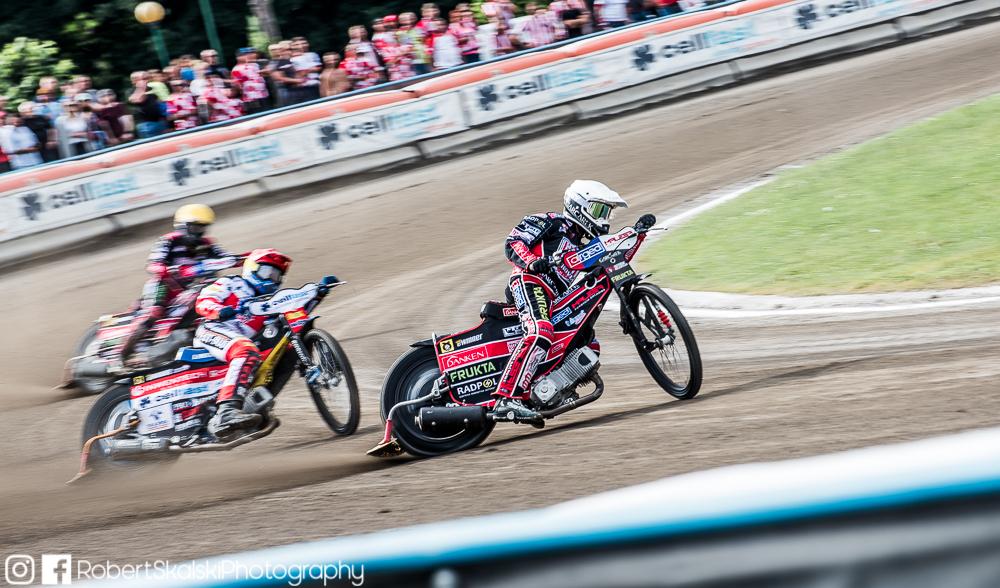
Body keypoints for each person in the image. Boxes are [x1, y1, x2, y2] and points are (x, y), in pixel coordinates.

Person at [492, 180, 629, 424]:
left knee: (586, 342)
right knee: (540, 332)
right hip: (530, 282)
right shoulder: (552, 221)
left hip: (553, 297)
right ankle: (506, 398)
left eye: (607, 213)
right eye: (599, 210)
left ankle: (542, 395)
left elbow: (610, 256)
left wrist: (639, 232)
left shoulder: (582, 245)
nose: (604, 219)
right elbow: (514, 241)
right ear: (579, 206)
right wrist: (532, 262)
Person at [194, 248, 293, 437]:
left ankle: (254, 404)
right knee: (246, 351)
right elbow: (203, 300)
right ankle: (226, 412)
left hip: (240, 341)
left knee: (286, 349)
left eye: (276, 275)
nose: (271, 279)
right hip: (212, 330)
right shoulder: (231, 282)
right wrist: (218, 310)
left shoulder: (270, 301)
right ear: (251, 268)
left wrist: (318, 293)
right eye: (266, 272)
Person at [119, 204, 235, 364]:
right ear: (183, 225)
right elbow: (153, 264)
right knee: (154, 312)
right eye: (195, 227)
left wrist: (247, 258)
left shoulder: (207, 243)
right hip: (165, 285)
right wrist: (169, 269)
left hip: (192, 288)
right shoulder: (168, 241)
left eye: (202, 227)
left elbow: (227, 257)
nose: (199, 231)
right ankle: (122, 354)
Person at [231, 47, 270, 114]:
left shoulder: (255, 64)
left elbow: (266, 74)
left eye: (248, 54)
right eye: (244, 55)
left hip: (264, 95)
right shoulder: (236, 69)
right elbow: (238, 85)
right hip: (251, 98)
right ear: (238, 57)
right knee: (258, 115)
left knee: (268, 113)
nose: (248, 56)